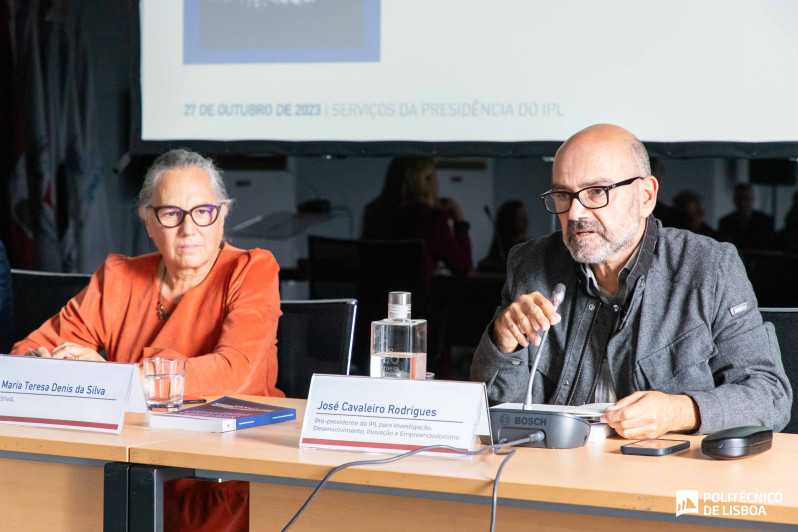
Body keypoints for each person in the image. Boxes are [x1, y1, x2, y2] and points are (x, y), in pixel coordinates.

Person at [12, 148, 281, 531]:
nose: (189, 229)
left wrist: (109, 380)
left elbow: (232, 372)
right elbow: (26, 354)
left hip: (222, 480)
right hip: (122, 472)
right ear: (148, 221)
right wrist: (57, 366)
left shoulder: (251, 269)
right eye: (171, 214)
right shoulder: (118, 276)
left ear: (222, 214)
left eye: (203, 212)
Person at [470, 124, 792, 439]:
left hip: (667, 478)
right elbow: (497, 413)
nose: (575, 212)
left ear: (646, 196)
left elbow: (769, 395)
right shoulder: (530, 265)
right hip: (556, 471)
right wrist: (502, 340)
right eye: (563, 195)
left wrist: (678, 411)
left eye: (597, 192)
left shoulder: (709, 268)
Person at [361, 156, 472, 289]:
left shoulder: (374, 211)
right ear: (427, 181)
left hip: (372, 301)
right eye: (434, 177)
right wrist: (459, 221)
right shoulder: (430, 218)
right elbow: (463, 267)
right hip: (412, 304)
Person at [718, 183, 775, 249]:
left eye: (746, 198)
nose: (742, 203)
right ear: (734, 200)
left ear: (752, 200)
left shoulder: (765, 222)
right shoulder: (725, 223)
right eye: (739, 198)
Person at [478, 200, 529, 272]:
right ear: (509, 221)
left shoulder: (530, 246)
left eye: (525, 217)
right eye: (520, 218)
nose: (526, 222)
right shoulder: (501, 247)